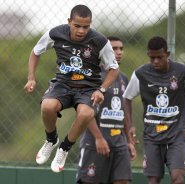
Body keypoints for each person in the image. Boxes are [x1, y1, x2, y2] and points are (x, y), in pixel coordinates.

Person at [23, 5, 119, 173]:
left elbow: (114, 68)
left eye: (86, 26)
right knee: (47, 106)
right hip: (62, 84)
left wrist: (101, 90)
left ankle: (64, 148)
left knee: (86, 114)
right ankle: (51, 140)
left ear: (90, 24)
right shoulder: (55, 33)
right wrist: (31, 77)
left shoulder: (100, 41)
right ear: (69, 22)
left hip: (88, 88)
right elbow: (35, 52)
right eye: (77, 26)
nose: (81, 30)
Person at [123, 36, 185, 184]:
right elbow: (126, 98)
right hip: (152, 136)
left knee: (177, 177)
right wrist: (130, 126)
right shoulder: (140, 74)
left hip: (177, 134)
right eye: (152, 57)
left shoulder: (183, 72)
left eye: (159, 57)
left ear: (167, 54)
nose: (155, 61)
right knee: (153, 180)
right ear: (148, 54)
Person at [76, 36, 136, 184]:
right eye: (114, 49)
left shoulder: (124, 78)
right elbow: (85, 111)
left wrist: (129, 141)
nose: (119, 52)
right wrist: (98, 138)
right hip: (95, 141)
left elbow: (124, 111)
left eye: (121, 48)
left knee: (123, 181)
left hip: (119, 142)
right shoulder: (92, 76)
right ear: (104, 52)